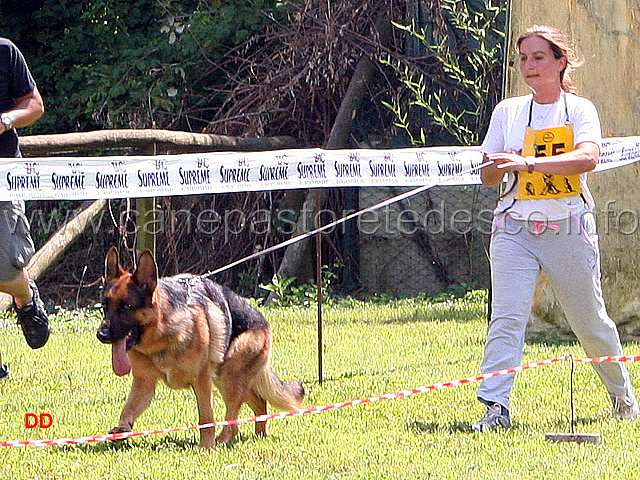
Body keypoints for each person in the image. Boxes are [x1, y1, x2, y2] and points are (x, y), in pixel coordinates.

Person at [473, 25, 638, 431]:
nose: (529, 66)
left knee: (590, 321)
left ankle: (623, 398)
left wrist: (528, 162)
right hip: (514, 228)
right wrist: (498, 164)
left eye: (539, 57)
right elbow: (486, 178)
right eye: (523, 59)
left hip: (568, 227)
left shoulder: (580, 110)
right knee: (507, 316)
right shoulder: (507, 112)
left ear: (561, 62)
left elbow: (586, 159)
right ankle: (496, 408)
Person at [0, 36, 48, 377]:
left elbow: (34, 105)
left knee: (3, 267)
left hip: (4, 172)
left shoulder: (5, 51)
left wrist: (5, 120)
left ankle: (26, 295)